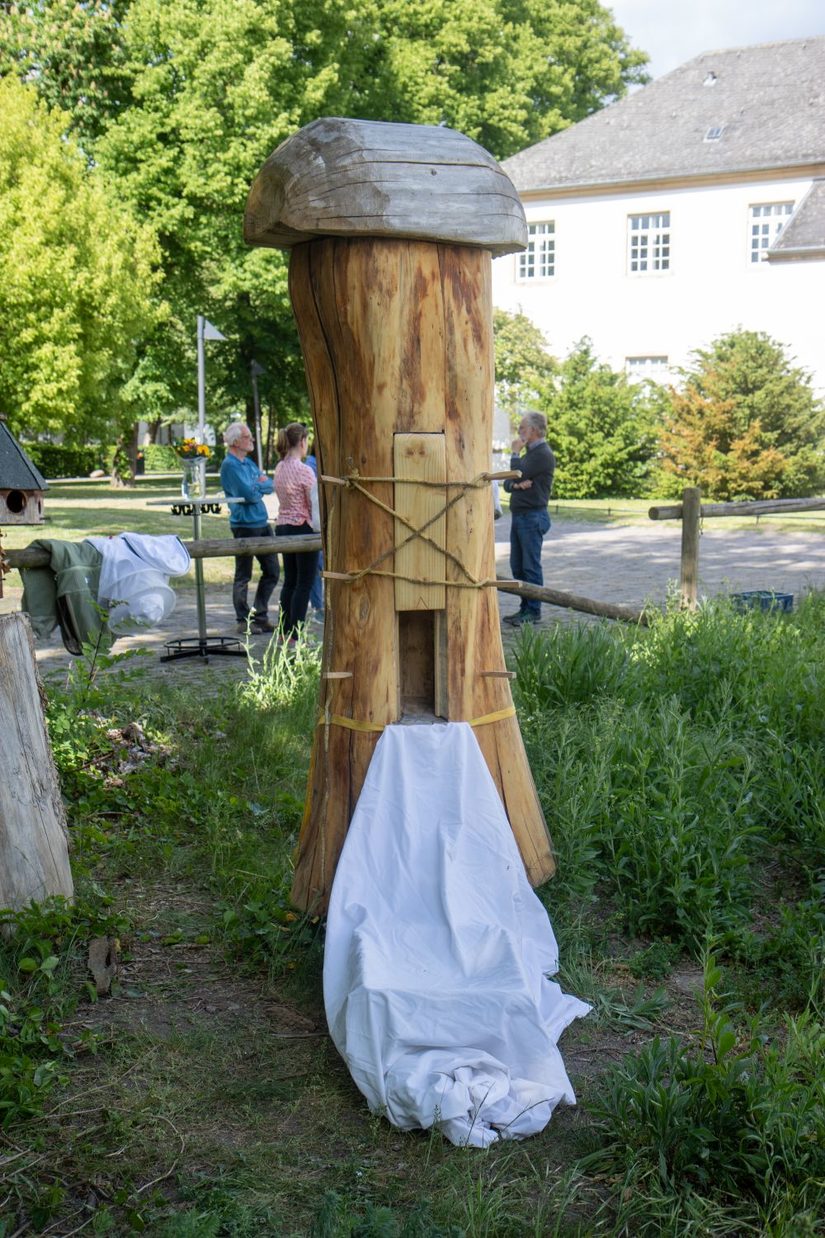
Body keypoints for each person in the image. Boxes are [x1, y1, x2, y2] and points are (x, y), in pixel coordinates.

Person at [220, 421, 279, 634]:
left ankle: (259, 615)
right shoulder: (230, 465)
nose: (251, 440)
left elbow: (270, 484)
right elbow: (249, 494)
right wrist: (257, 486)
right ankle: (243, 620)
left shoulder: (249, 463)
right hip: (244, 525)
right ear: (236, 441)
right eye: (247, 437)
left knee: (273, 570)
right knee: (243, 574)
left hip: (262, 522)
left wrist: (256, 486)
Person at [502, 411, 555, 626]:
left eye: (522, 428)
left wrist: (515, 454)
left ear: (533, 430)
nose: (519, 431)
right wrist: (515, 484)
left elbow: (516, 474)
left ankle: (533, 611)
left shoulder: (542, 454)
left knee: (530, 566)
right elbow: (508, 483)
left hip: (532, 517)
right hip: (521, 517)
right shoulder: (530, 455)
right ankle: (525, 608)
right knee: (518, 566)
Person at [274, 422, 321, 637]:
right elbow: (313, 503)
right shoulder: (304, 471)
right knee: (304, 583)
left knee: (290, 581)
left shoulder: (280, 467)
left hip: (283, 526)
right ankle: (296, 634)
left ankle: (284, 629)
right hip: (302, 528)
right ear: (302, 442)